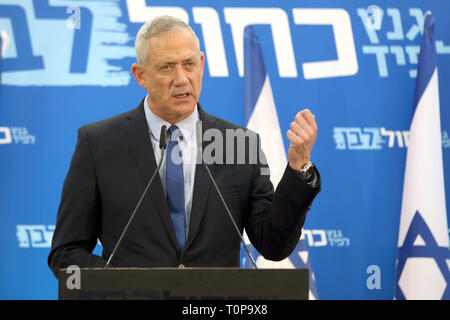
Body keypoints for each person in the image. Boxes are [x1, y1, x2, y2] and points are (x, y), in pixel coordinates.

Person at [48, 16, 321, 277]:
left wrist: (299, 169)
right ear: (140, 75)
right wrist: (119, 286)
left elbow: (273, 246)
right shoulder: (98, 144)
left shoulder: (239, 143)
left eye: (189, 64)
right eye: (167, 67)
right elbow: (67, 252)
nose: (181, 79)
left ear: (201, 63)